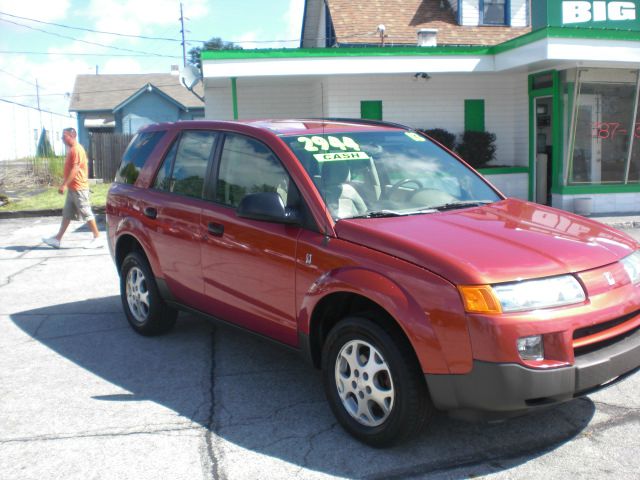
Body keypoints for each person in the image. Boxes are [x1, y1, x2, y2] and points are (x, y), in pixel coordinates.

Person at [42, 128, 101, 249]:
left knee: (86, 212)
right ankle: (57, 239)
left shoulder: (77, 149)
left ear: (71, 136)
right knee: (67, 214)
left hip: (79, 188)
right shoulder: (72, 150)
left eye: (64, 136)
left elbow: (75, 169)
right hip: (72, 188)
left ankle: (97, 238)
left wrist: (64, 185)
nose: (62, 139)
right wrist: (66, 184)